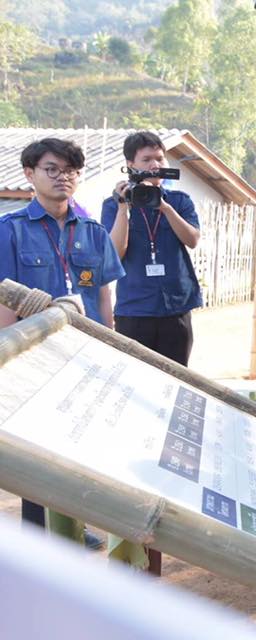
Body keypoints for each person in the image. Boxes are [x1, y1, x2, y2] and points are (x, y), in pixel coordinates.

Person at [0, 138, 124, 547]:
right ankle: (40, 537)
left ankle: (72, 525)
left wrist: (111, 347)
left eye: (70, 170)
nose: (62, 177)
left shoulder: (93, 232)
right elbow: (4, 299)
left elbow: (103, 296)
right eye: (52, 169)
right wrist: (10, 355)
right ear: (30, 174)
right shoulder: (10, 231)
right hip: (34, 356)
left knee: (79, 444)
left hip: (86, 354)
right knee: (38, 452)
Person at [101, 131, 202, 367]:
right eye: (146, 160)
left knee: (178, 376)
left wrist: (163, 206)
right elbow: (115, 252)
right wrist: (122, 207)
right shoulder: (113, 204)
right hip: (135, 309)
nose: (155, 164)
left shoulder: (179, 201)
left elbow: (193, 239)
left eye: (160, 158)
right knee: (134, 377)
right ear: (130, 165)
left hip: (176, 307)